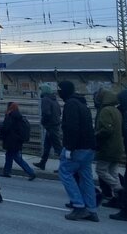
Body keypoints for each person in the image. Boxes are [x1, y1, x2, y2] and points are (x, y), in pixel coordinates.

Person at [57, 80, 99, 222]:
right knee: (86, 178)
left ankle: (79, 206)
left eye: (59, 90)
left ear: (64, 91)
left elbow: (72, 128)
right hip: (89, 147)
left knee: (65, 173)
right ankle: (91, 209)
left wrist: (69, 148)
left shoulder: (71, 105)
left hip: (78, 147)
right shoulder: (82, 103)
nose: (58, 92)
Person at [93, 88, 124, 208]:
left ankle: (119, 189)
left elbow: (106, 130)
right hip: (117, 146)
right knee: (113, 172)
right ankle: (118, 199)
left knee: (100, 170)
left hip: (108, 147)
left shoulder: (105, 111)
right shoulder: (116, 110)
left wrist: (95, 135)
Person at [0, 102, 36, 180]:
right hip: (16, 140)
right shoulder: (18, 115)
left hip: (11, 141)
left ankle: (31, 172)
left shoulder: (10, 116)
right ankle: (6, 172)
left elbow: (6, 127)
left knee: (16, 157)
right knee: (9, 156)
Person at [33, 84, 63, 171]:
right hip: (55, 125)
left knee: (58, 148)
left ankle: (64, 166)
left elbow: (46, 113)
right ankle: (42, 163)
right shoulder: (54, 100)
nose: (40, 92)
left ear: (44, 91)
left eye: (41, 90)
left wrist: (43, 122)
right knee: (47, 146)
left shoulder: (45, 99)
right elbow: (59, 113)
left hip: (51, 127)